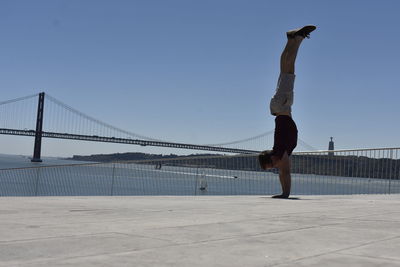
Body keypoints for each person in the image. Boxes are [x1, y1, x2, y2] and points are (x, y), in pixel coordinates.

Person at [259, 25, 316, 199]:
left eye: (272, 166)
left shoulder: (280, 154)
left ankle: (295, 39)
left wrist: (285, 194)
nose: (276, 168)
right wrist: (283, 193)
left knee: (287, 68)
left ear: (271, 159)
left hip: (282, 106)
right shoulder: (281, 153)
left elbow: (285, 174)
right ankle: (294, 39)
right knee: (288, 70)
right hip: (281, 107)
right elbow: (283, 173)